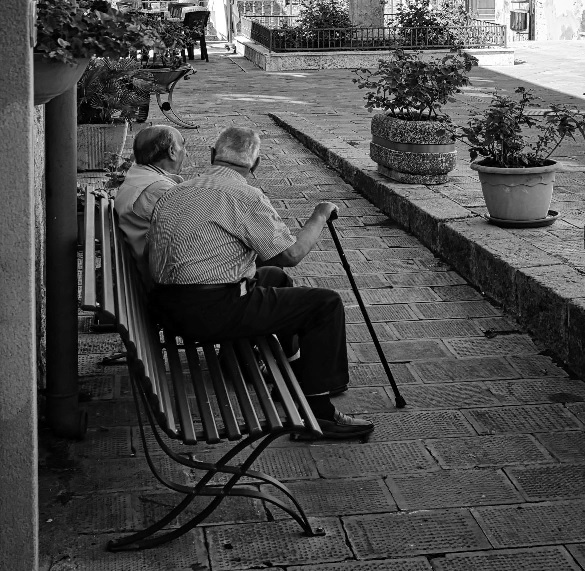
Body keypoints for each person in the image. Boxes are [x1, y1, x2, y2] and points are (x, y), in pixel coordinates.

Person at [147, 126, 374, 440]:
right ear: (254, 164)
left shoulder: (178, 190)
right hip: (210, 312)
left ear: (213, 156)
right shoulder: (245, 195)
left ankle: (298, 372)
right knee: (326, 304)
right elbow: (292, 253)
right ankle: (319, 414)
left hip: (167, 306)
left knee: (275, 277)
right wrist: (319, 216)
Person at [114, 125, 187, 283]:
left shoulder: (138, 176)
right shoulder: (160, 190)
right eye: (183, 145)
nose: (185, 152)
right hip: (162, 285)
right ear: (172, 152)